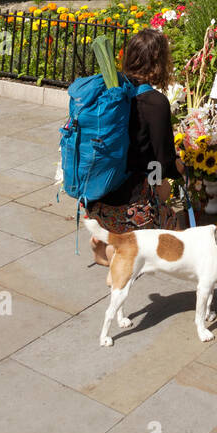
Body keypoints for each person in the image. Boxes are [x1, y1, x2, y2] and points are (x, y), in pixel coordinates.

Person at [85, 28, 185, 265]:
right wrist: (178, 169)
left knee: (155, 183)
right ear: (159, 62)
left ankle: (103, 239)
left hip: (97, 197)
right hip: (128, 201)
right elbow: (163, 162)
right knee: (177, 232)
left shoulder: (112, 91)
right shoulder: (155, 101)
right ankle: (115, 251)